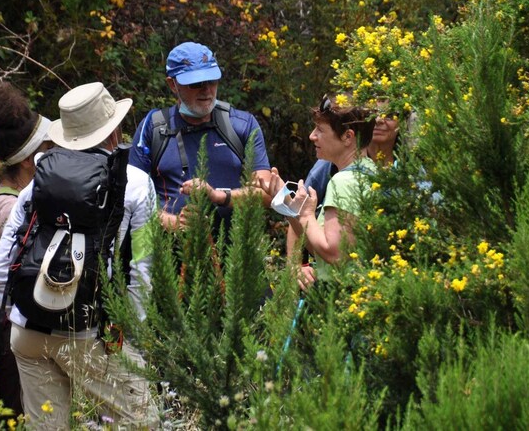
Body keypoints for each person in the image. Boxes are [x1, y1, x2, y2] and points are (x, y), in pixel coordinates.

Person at [0, 82, 157, 429]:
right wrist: (129, 336)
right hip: (90, 334)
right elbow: (141, 269)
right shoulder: (137, 184)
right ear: (115, 129)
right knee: (144, 422)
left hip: (27, 333)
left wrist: (22, 313)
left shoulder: (38, 181)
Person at [0, 82, 52, 415]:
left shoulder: (2, 196)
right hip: (14, 330)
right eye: (48, 146)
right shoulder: (10, 208)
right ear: (31, 159)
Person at [130, 41, 272, 233]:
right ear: (173, 84)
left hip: (234, 255)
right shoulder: (154, 128)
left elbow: (266, 194)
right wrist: (173, 223)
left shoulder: (242, 125)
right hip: (168, 256)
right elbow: (132, 197)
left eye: (212, 80)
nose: (206, 90)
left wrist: (219, 196)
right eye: (195, 83)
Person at [264, 94, 376, 290]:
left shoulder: (344, 182)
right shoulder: (368, 171)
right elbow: (318, 250)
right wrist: (289, 206)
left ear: (348, 137)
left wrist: (307, 214)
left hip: (340, 295)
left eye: (321, 130)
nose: (312, 136)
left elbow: (333, 253)